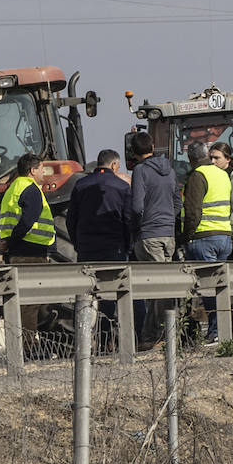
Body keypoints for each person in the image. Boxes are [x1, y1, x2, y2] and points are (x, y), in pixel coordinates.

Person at [66, 149, 132, 350]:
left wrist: (77, 243)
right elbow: (128, 219)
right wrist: (127, 245)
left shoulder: (80, 185)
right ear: (114, 165)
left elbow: (71, 220)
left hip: (86, 247)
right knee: (112, 292)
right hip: (114, 247)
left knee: (86, 293)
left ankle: (85, 342)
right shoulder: (122, 186)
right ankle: (107, 340)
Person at [0, 153, 56, 358]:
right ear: (32, 170)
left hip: (19, 252)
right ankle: (30, 349)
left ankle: (30, 346)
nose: (43, 172)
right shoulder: (31, 189)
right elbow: (28, 221)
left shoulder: (12, 188)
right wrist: (12, 241)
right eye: (41, 168)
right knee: (31, 303)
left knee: (27, 302)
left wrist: (7, 244)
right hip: (31, 251)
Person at [127, 131, 180, 348]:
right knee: (164, 286)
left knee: (157, 289)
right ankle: (160, 335)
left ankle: (156, 336)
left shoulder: (140, 171)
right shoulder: (169, 169)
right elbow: (178, 202)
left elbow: (137, 206)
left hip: (148, 235)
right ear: (153, 146)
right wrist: (167, 220)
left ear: (133, 151)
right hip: (168, 235)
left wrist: (136, 227)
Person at [180, 140, 233, 344]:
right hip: (224, 237)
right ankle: (222, 332)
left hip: (204, 237)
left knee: (209, 288)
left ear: (191, 158)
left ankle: (216, 333)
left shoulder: (197, 175)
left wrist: (187, 236)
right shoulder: (223, 174)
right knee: (219, 287)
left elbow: (193, 210)